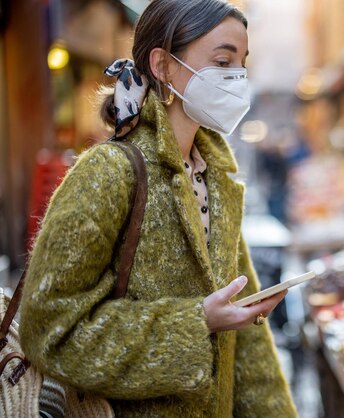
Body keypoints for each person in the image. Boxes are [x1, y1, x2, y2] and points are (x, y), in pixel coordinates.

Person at [19, 1, 298, 416]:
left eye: (242, 63)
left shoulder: (216, 177)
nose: (239, 78)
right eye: (223, 61)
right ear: (164, 66)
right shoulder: (109, 172)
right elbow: (48, 330)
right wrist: (196, 321)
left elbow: (250, 351)